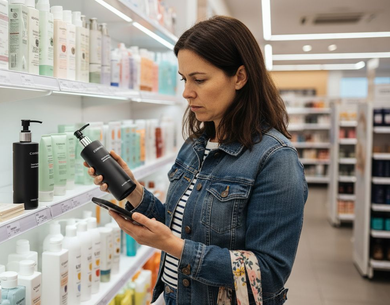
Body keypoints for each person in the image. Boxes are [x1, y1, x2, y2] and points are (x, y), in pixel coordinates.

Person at [85, 16, 307, 305]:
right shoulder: (195, 145)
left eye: (199, 79)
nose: (187, 92)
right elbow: (180, 226)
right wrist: (133, 192)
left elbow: (268, 274)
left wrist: (173, 247)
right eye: (184, 78)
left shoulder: (276, 159)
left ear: (240, 77)